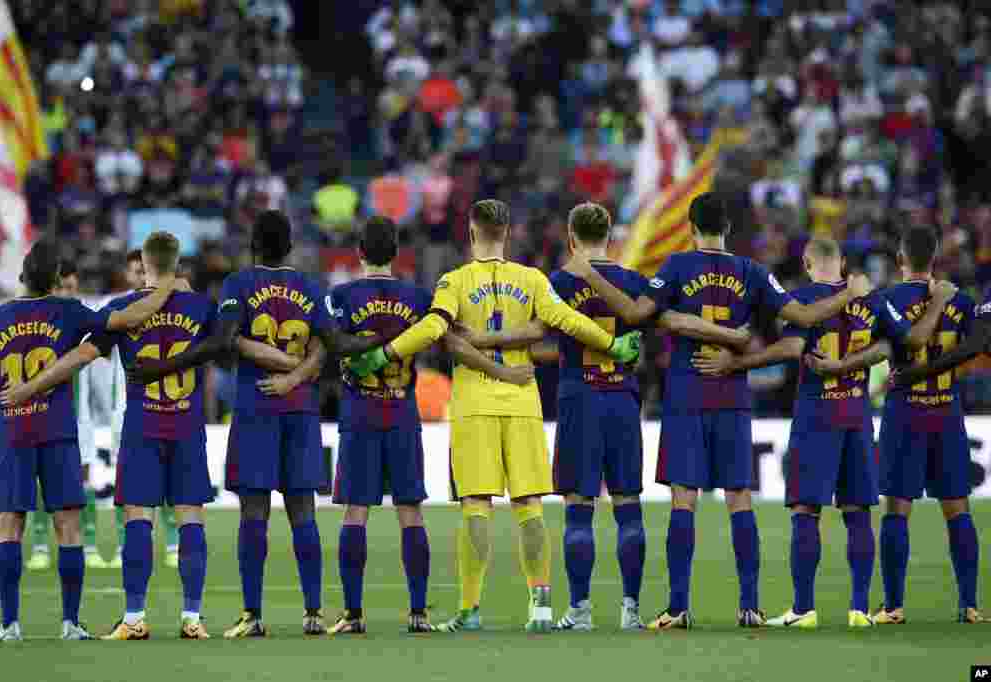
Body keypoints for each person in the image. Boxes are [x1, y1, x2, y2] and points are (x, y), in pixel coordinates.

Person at [562, 192, 871, 628]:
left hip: (687, 394)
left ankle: (678, 607)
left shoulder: (676, 267)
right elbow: (802, 318)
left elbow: (635, 313)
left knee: (683, 501)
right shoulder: (751, 272)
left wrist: (591, 276)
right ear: (727, 228)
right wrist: (847, 295)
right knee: (739, 499)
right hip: (732, 397)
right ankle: (749, 606)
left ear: (691, 228)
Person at [348, 199, 642, 633]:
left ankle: (470, 609)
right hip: (523, 399)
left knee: (476, 507)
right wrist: (613, 346)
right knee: (529, 506)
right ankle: (540, 606)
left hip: (473, 403)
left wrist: (383, 354)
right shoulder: (532, 278)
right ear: (508, 234)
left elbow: (434, 329)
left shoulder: (454, 281)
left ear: (471, 234)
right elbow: (565, 318)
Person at [461, 203, 751, 631]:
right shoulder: (635, 282)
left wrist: (485, 342)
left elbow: (538, 334)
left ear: (571, 237)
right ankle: (631, 609)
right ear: (611, 235)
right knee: (627, 506)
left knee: (579, 505)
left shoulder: (558, 280)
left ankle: (579, 610)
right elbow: (648, 339)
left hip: (579, 400)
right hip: (622, 400)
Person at [127, 210, 388, 638]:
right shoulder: (309, 286)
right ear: (289, 247)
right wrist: (384, 339)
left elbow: (219, 342)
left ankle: (252, 615)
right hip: (300, 410)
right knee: (303, 512)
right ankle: (313, 614)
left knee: (254, 513)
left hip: (255, 409)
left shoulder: (239, 284)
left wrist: (162, 367)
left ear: (253, 245)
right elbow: (337, 344)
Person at [690, 237, 953, 628]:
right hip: (858, 416)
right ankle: (860, 610)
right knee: (858, 511)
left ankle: (803, 609)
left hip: (817, 416)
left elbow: (791, 349)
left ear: (808, 263)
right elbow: (909, 342)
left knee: (806, 511)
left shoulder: (804, 300)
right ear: (843, 263)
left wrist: (737, 364)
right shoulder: (875, 301)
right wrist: (937, 302)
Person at [323, 217, 532, 635]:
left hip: (361, 413)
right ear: (396, 253)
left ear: (359, 253)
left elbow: (328, 345)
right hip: (402, 412)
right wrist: (501, 368)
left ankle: (353, 614)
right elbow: (452, 342)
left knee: (356, 512)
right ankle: (418, 613)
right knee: (411, 512)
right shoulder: (419, 297)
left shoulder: (340, 296)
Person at [2, 233, 217, 640]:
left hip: (142, 427)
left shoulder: (121, 308)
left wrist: (31, 387)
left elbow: (81, 357)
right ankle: (193, 618)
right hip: (188, 425)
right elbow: (223, 346)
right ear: (177, 264)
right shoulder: (201, 307)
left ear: (142, 262)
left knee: (138, 519)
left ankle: (134, 616)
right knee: (191, 518)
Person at [811, 226, 985, 624]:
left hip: (905, 412)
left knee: (896, 511)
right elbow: (973, 347)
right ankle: (970, 605)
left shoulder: (886, 300)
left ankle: (893, 606)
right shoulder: (961, 301)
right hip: (947, 411)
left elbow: (878, 347)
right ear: (935, 259)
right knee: (958, 510)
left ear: (900, 261)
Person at [25, 260, 109, 571]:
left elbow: (98, 373)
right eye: (62, 287)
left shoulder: (83, 323)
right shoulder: (38, 325)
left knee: (84, 479)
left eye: (72, 288)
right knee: (39, 479)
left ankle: (88, 546)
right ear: (54, 287)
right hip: (43, 415)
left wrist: (103, 411)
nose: (67, 293)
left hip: (81, 417)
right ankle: (39, 546)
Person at [102, 251, 182, 570]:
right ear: (128, 274)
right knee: (128, 484)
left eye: (145, 271)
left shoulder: (175, 308)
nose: (141, 277)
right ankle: (127, 543)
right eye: (136, 271)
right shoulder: (118, 309)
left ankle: (174, 543)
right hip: (126, 410)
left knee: (168, 480)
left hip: (167, 407)